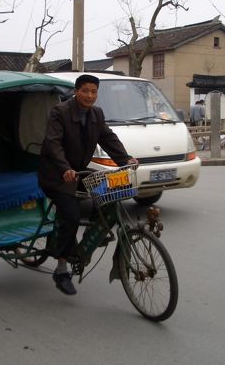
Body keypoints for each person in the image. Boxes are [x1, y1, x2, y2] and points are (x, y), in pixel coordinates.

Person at [38, 74, 137, 296]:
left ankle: (94, 234)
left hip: (79, 172)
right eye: (85, 91)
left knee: (111, 191)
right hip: (55, 174)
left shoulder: (96, 114)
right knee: (71, 215)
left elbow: (108, 138)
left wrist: (126, 159)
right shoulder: (60, 112)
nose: (90, 96)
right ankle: (62, 269)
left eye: (94, 92)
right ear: (76, 91)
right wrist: (64, 168)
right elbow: (53, 144)